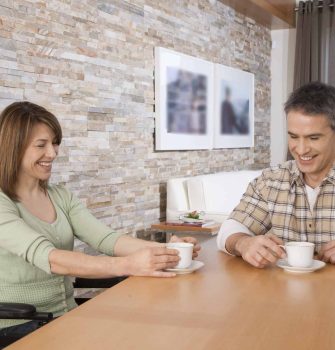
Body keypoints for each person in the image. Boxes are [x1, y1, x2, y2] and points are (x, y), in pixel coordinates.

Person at [0, 101, 201, 338]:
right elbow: (50, 259)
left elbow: (107, 239)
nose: (52, 153)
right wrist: (127, 265)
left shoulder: (60, 196)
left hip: (65, 317)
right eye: (41, 145)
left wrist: (169, 249)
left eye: (55, 143)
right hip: (19, 327)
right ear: (13, 147)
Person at [217, 81, 335, 268]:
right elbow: (230, 228)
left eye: (313, 138)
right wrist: (244, 243)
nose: (301, 149)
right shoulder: (271, 180)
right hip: (282, 294)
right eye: (294, 136)